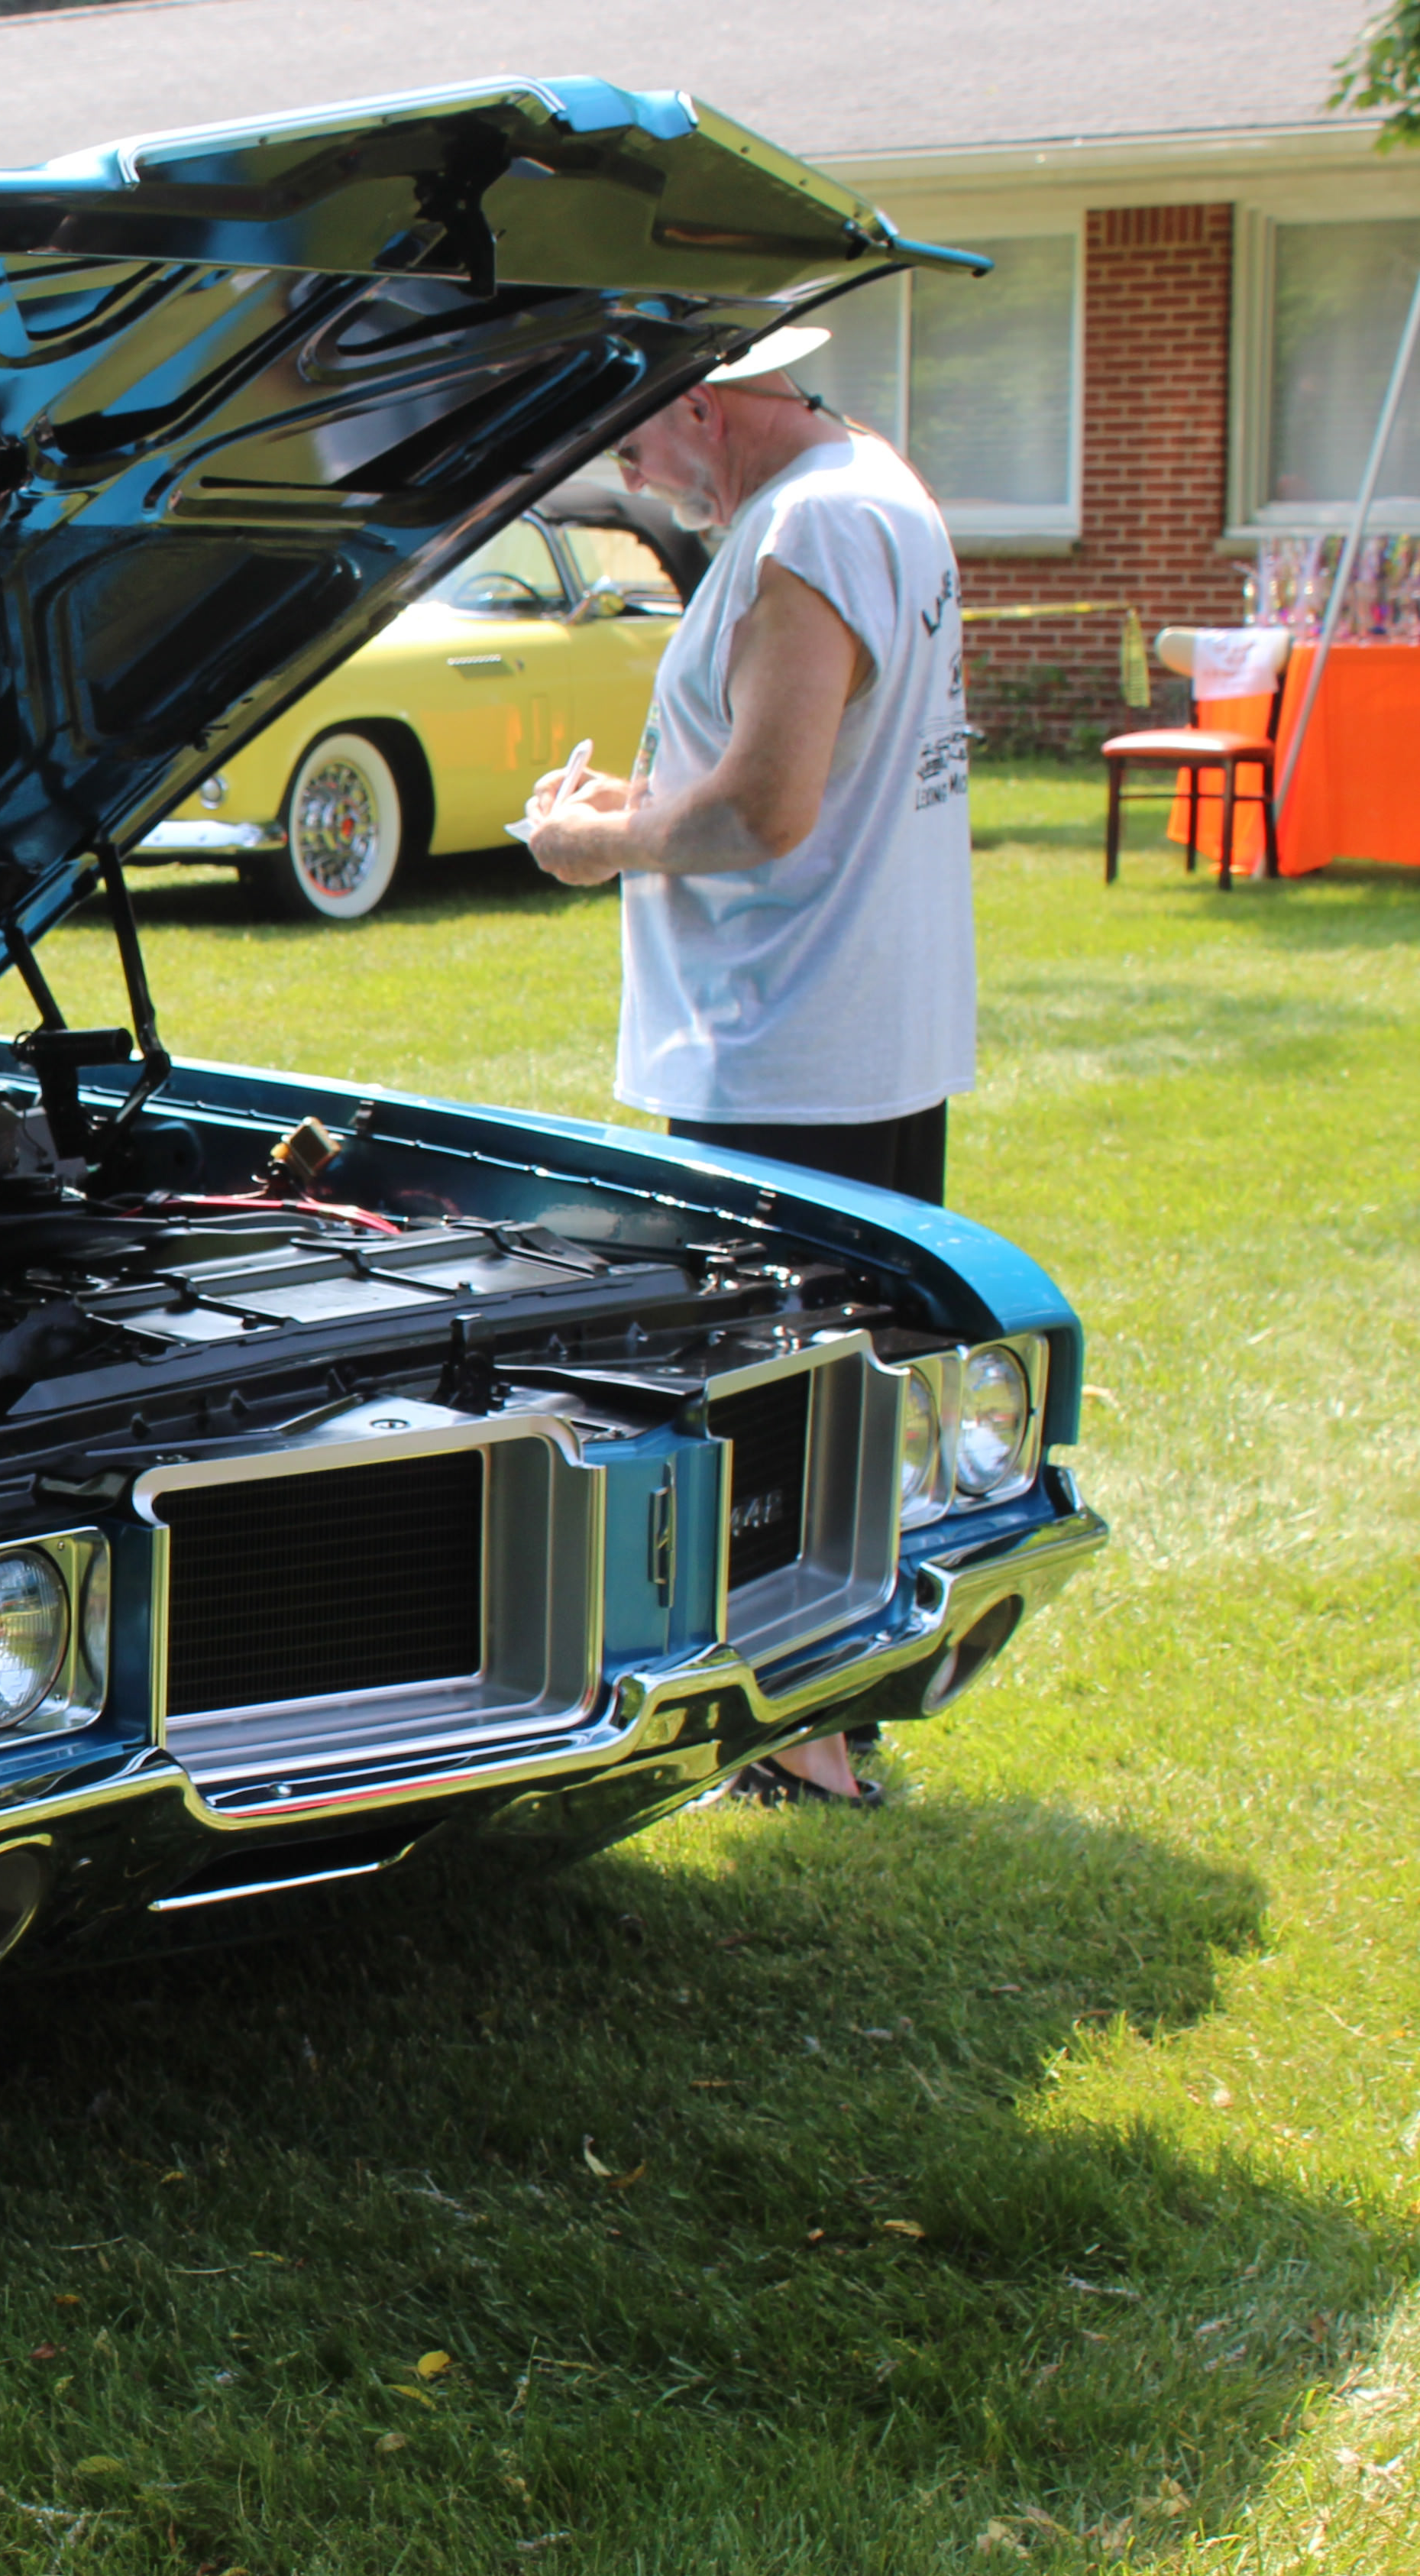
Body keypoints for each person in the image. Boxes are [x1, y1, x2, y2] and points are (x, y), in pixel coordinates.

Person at [521, 323, 975, 1806]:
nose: (642, 476)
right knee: (855, 1384)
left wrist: (596, 841)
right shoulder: (877, 488)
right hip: (863, 1024)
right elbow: (803, 773)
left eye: (638, 444)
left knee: (772, 1397)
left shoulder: (811, 526)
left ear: (707, 406)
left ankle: (801, 1741)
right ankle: (839, 1707)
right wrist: (645, 797)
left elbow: (768, 810)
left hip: (785, 1038)